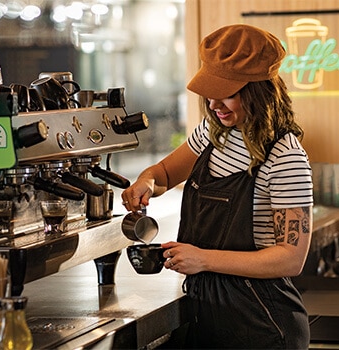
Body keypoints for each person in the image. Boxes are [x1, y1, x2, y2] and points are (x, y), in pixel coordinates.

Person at [121, 24, 313, 349]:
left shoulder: (286, 158)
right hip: (207, 314)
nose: (213, 105)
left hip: (261, 324)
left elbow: (289, 259)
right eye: (210, 93)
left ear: (260, 90)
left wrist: (204, 259)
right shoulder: (212, 135)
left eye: (226, 94)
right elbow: (165, 173)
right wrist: (146, 182)